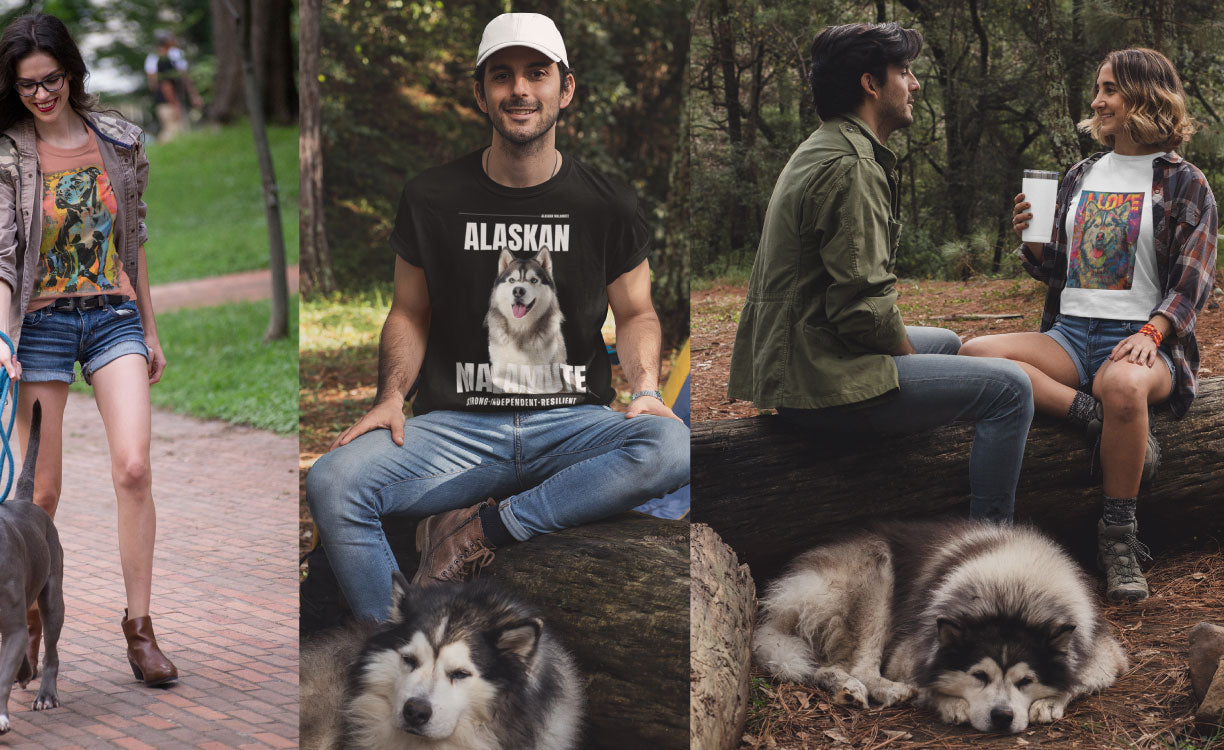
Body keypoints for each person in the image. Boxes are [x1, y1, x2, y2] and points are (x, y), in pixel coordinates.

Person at [304, 12, 691, 622]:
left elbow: (637, 311)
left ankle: (483, 532)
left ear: (565, 89)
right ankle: (405, 646)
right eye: (502, 75)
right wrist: (389, 396)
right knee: (332, 481)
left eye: (537, 73)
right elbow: (409, 311)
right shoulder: (432, 197)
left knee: (674, 446)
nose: (519, 89)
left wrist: (644, 389)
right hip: (458, 432)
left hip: (572, 426)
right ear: (480, 92)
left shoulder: (606, 202)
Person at [726, 22, 1034, 523]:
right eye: (905, 72)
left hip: (800, 358)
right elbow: (863, 312)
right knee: (1011, 389)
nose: (915, 85)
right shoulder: (852, 166)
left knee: (950, 342)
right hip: (818, 378)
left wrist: (913, 358)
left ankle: (910, 485)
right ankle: (988, 547)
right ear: (871, 84)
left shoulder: (826, 144)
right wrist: (904, 359)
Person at [0, 13, 177, 686]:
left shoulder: (118, 143)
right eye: (27, 87)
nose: (42, 95)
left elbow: (132, 245)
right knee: (39, 493)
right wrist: (0, 335)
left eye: (51, 81)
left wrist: (150, 327)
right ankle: (28, 618)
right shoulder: (5, 158)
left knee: (134, 469)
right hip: (39, 329)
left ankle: (140, 629)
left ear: (71, 74)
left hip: (112, 317)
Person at [962, 48, 1217, 601]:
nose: (1097, 102)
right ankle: (1092, 419)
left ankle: (1119, 537)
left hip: (1142, 337)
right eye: (1097, 91)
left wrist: (1152, 334)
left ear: (1145, 97)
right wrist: (1032, 243)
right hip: (1071, 334)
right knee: (975, 355)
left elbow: (1193, 281)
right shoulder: (1082, 174)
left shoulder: (1184, 182)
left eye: (1109, 90)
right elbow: (1059, 268)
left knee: (1125, 384)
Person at [144, 31, 202, 143]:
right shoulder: (167, 59)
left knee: (172, 130)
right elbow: (167, 85)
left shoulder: (153, 59)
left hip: (164, 101)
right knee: (174, 132)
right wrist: (175, 104)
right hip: (170, 100)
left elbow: (152, 84)